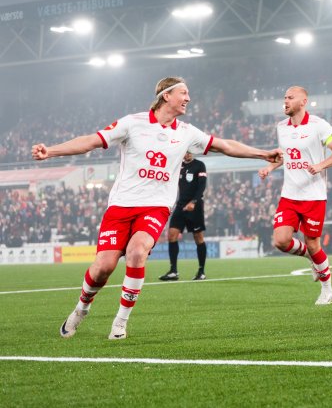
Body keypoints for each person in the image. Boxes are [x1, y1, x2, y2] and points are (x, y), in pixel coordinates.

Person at [35, 76, 281, 340]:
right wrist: (51, 151)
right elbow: (91, 141)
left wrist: (263, 153)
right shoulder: (132, 123)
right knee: (103, 266)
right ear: (166, 96)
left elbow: (226, 145)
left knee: (137, 251)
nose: (188, 98)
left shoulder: (187, 132)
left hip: (155, 207)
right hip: (120, 206)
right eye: (183, 93)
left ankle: (120, 321)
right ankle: (81, 310)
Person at [259, 86, 332, 304]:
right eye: (284, 98)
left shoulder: (319, 125)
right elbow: (285, 156)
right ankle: (309, 256)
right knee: (280, 241)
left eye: (290, 97)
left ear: (303, 101)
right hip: (289, 195)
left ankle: (327, 289)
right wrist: (270, 168)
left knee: (314, 243)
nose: (285, 101)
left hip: (314, 196)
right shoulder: (281, 127)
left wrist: (320, 165)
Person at [159, 152, 209, 281]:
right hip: (181, 206)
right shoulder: (178, 166)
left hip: (195, 206)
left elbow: (202, 186)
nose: (187, 155)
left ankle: (201, 271)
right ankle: (173, 271)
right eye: (185, 152)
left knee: (198, 237)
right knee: (171, 235)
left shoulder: (199, 165)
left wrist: (194, 201)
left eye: (189, 152)